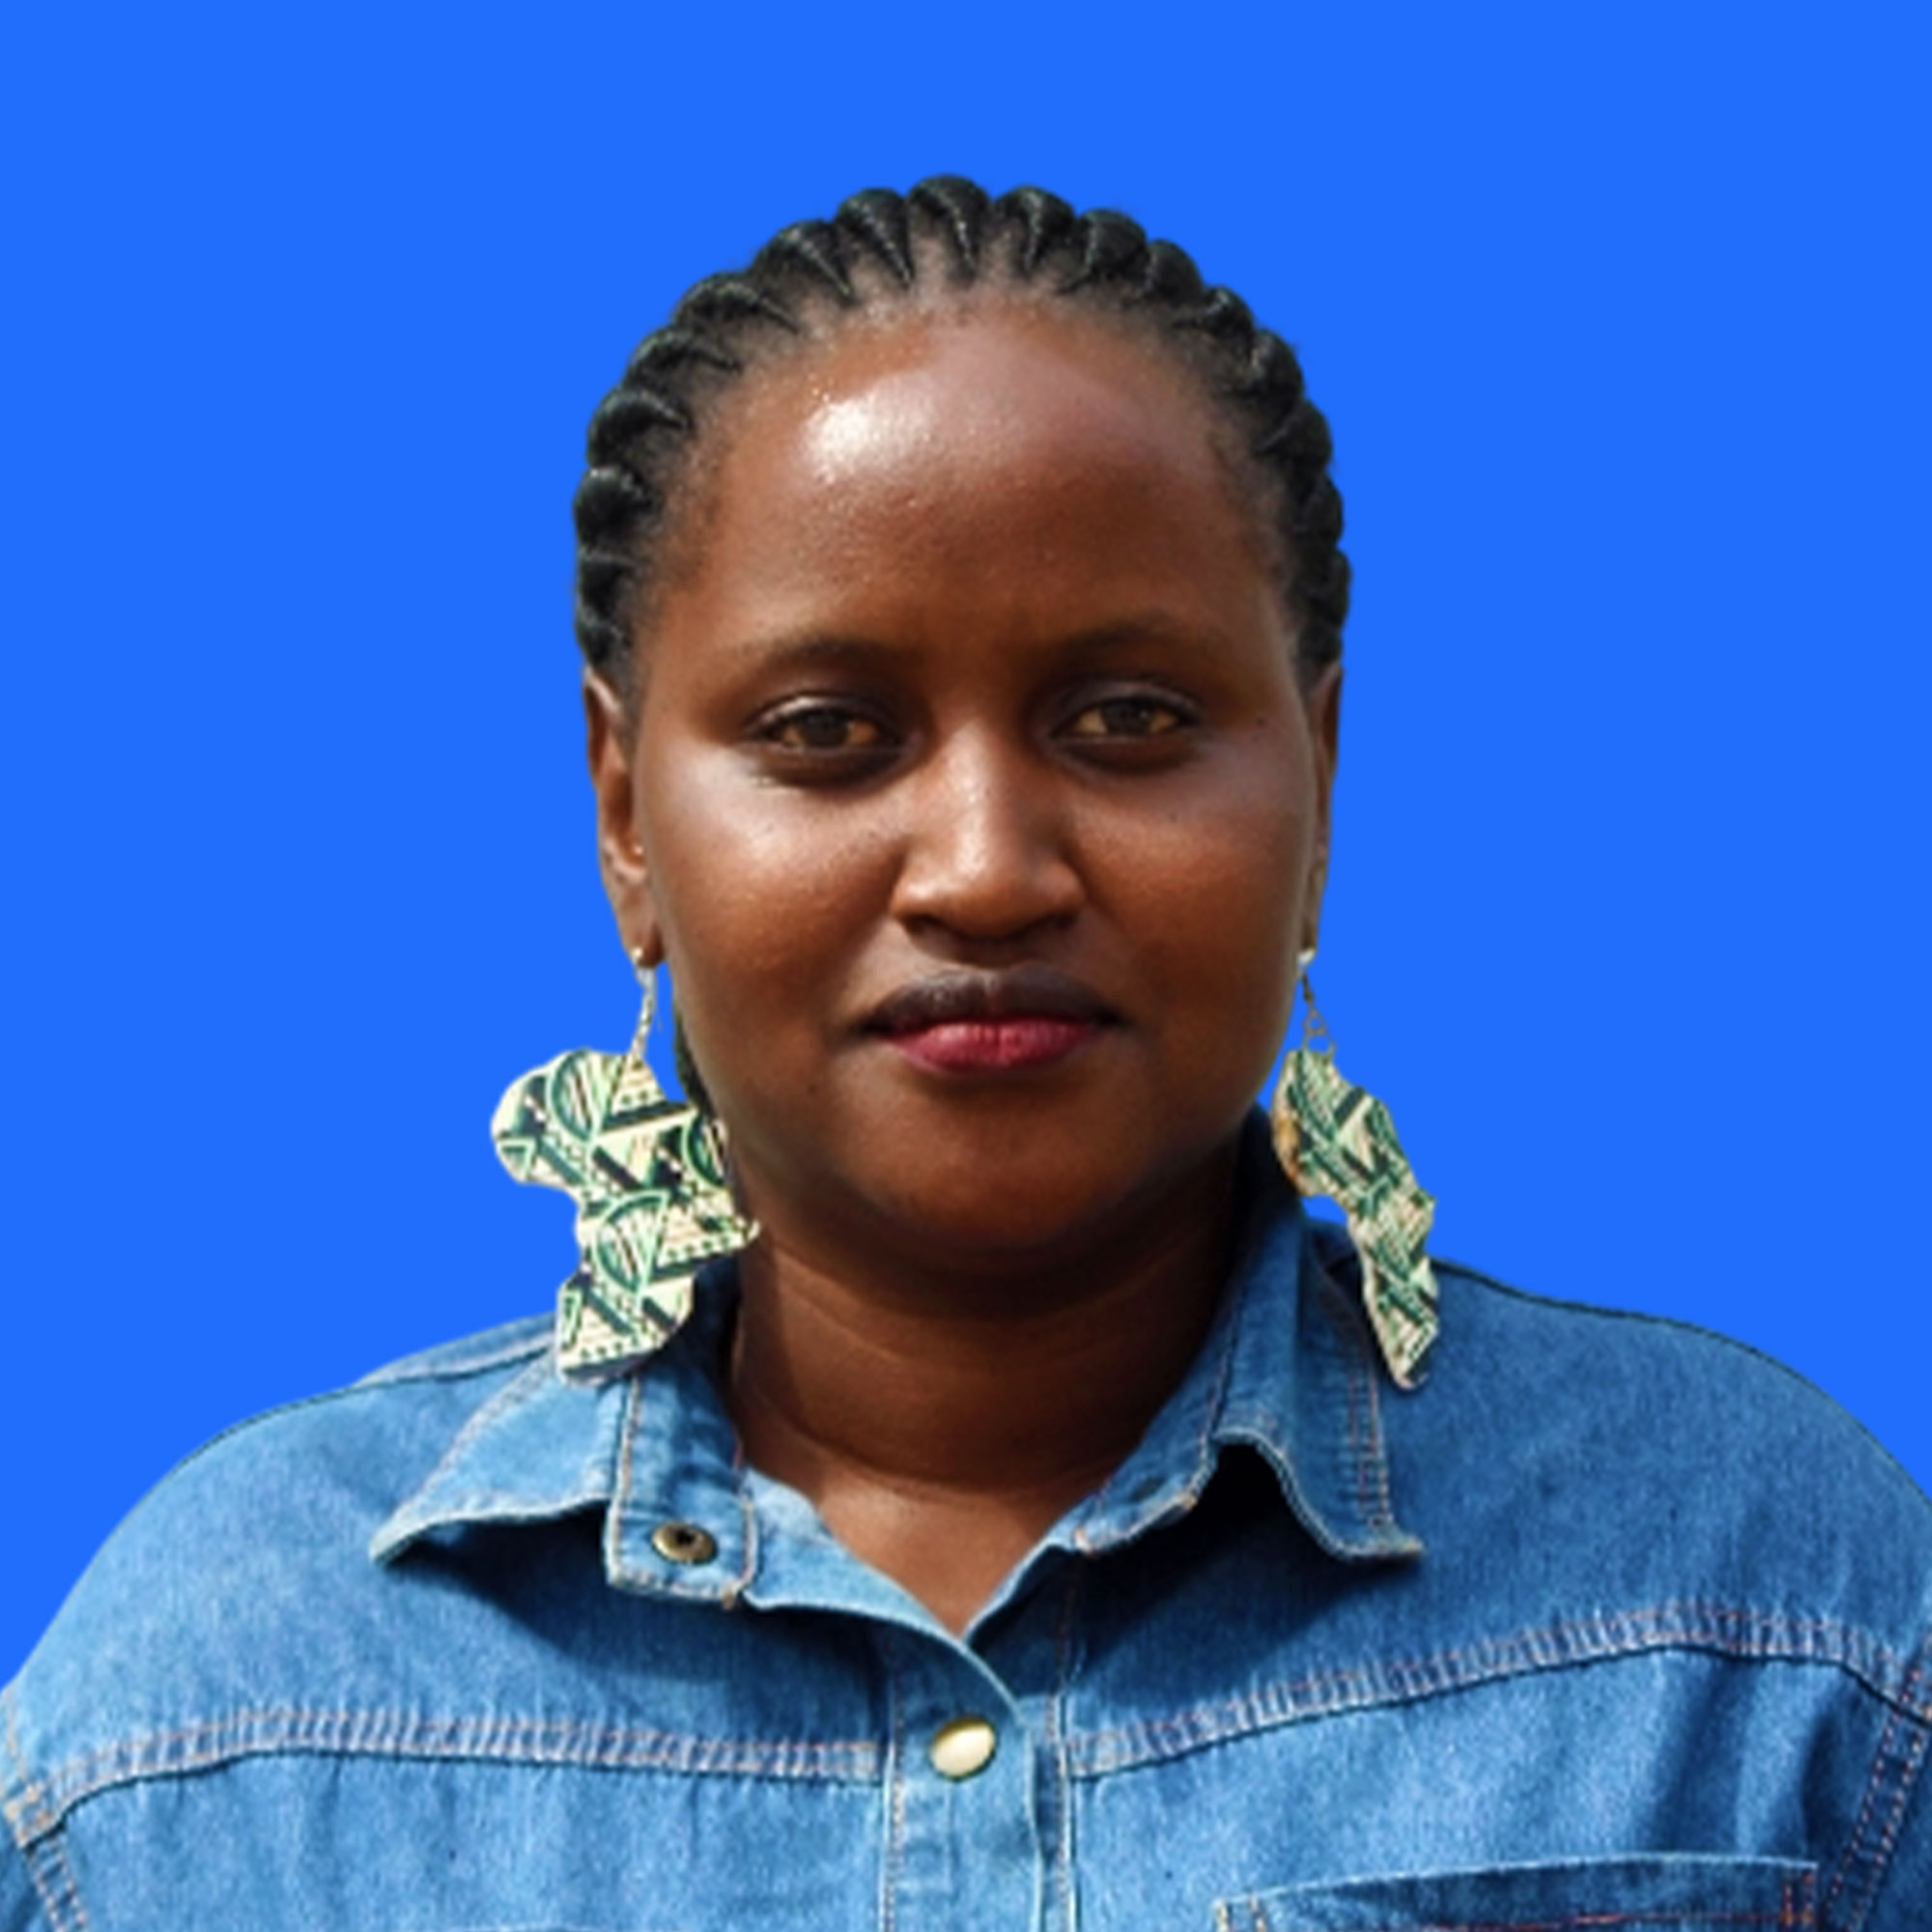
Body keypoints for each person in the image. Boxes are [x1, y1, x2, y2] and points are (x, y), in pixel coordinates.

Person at [5, 178, 1928, 1932]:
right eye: (829, 732)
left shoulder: (1766, 1614)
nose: (988, 869)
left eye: (1129, 716)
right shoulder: (213, 1720)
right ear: (624, 813)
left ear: (1320, 776)